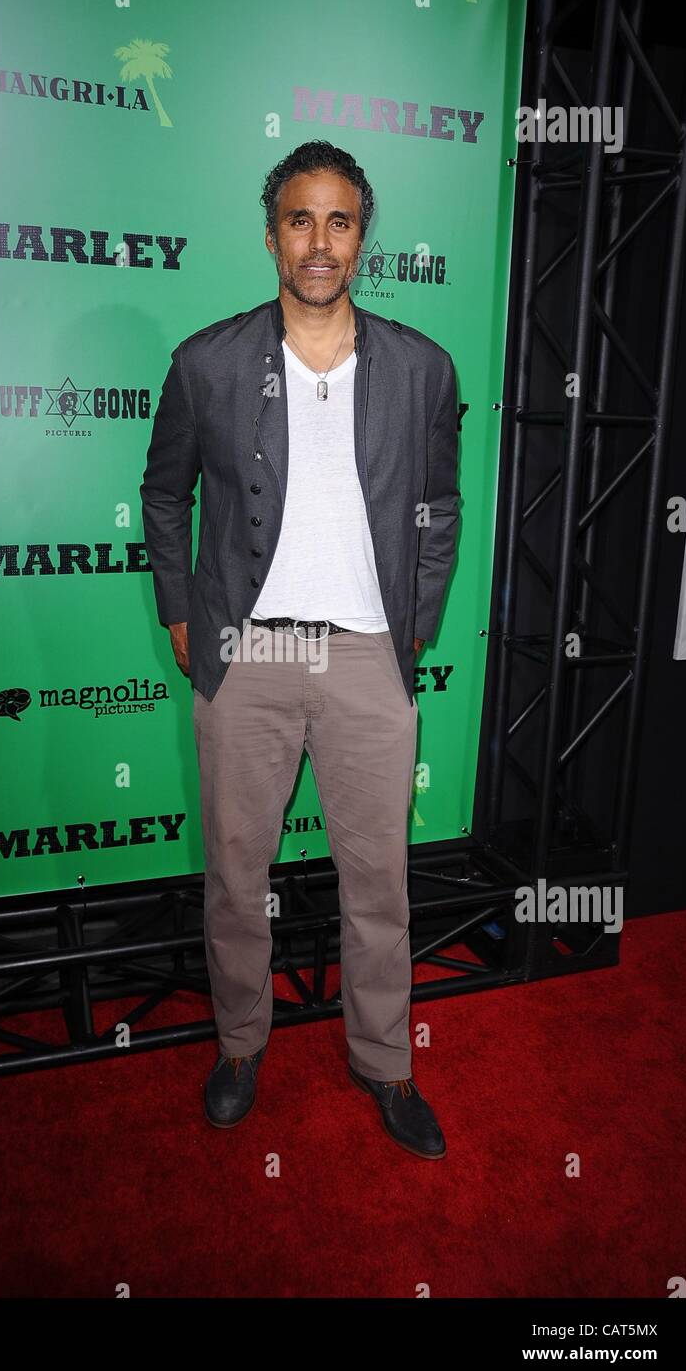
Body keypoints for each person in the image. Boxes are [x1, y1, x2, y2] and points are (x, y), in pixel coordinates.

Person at [140, 140, 460, 1158]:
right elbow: (163, 494)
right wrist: (181, 608)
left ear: (361, 237)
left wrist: (418, 620)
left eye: (339, 221)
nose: (319, 242)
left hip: (368, 655)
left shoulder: (421, 367)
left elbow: (439, 505)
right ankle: (240, 1047)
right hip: (248, 655)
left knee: (380, 883)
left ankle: (385, 1061)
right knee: (238, 876)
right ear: (271, 234)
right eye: (299, 220)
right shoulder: (206, 362)